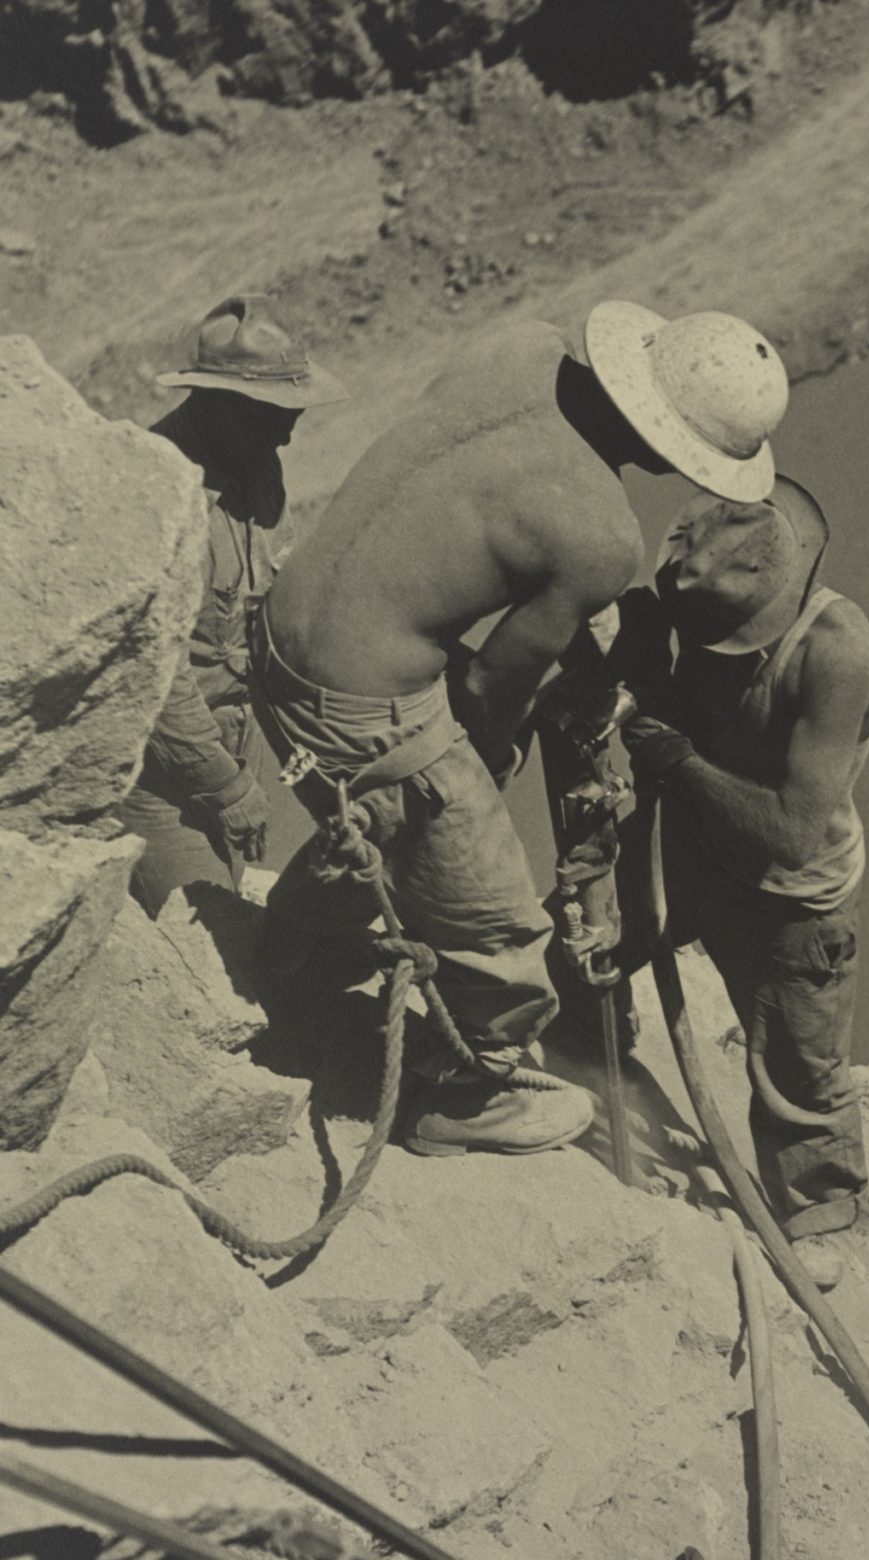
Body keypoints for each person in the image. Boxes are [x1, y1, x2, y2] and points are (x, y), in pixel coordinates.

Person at [252, 300, 788, 1157]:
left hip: (281, 631)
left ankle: (290, 947)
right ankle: (463, 1097)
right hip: (356, 704)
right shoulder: (601, 537)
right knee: (495, 921)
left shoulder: (519, 348)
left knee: (386, 815)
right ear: (669, 447)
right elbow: (491, 687)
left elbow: (471, 523)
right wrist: (475, 786)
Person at [600, 474, 869, 1272]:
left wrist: (676, 760)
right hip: (692, 844)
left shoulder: (836, 653)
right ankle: (590, 1064)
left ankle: (818, 1216)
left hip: (788, 898)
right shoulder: (698, 592)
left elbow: (793, 833)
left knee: (799, 1073)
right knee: (593, 939)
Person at [117, 297, 346, 914]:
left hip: (232, 754)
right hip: (154, 777)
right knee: (216, 945)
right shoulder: (155, 490)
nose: (289, 430)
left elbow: (276, 606)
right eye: (276, 412)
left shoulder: (259, 466)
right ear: (220, 401)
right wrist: (224, 787)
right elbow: (156, 674)